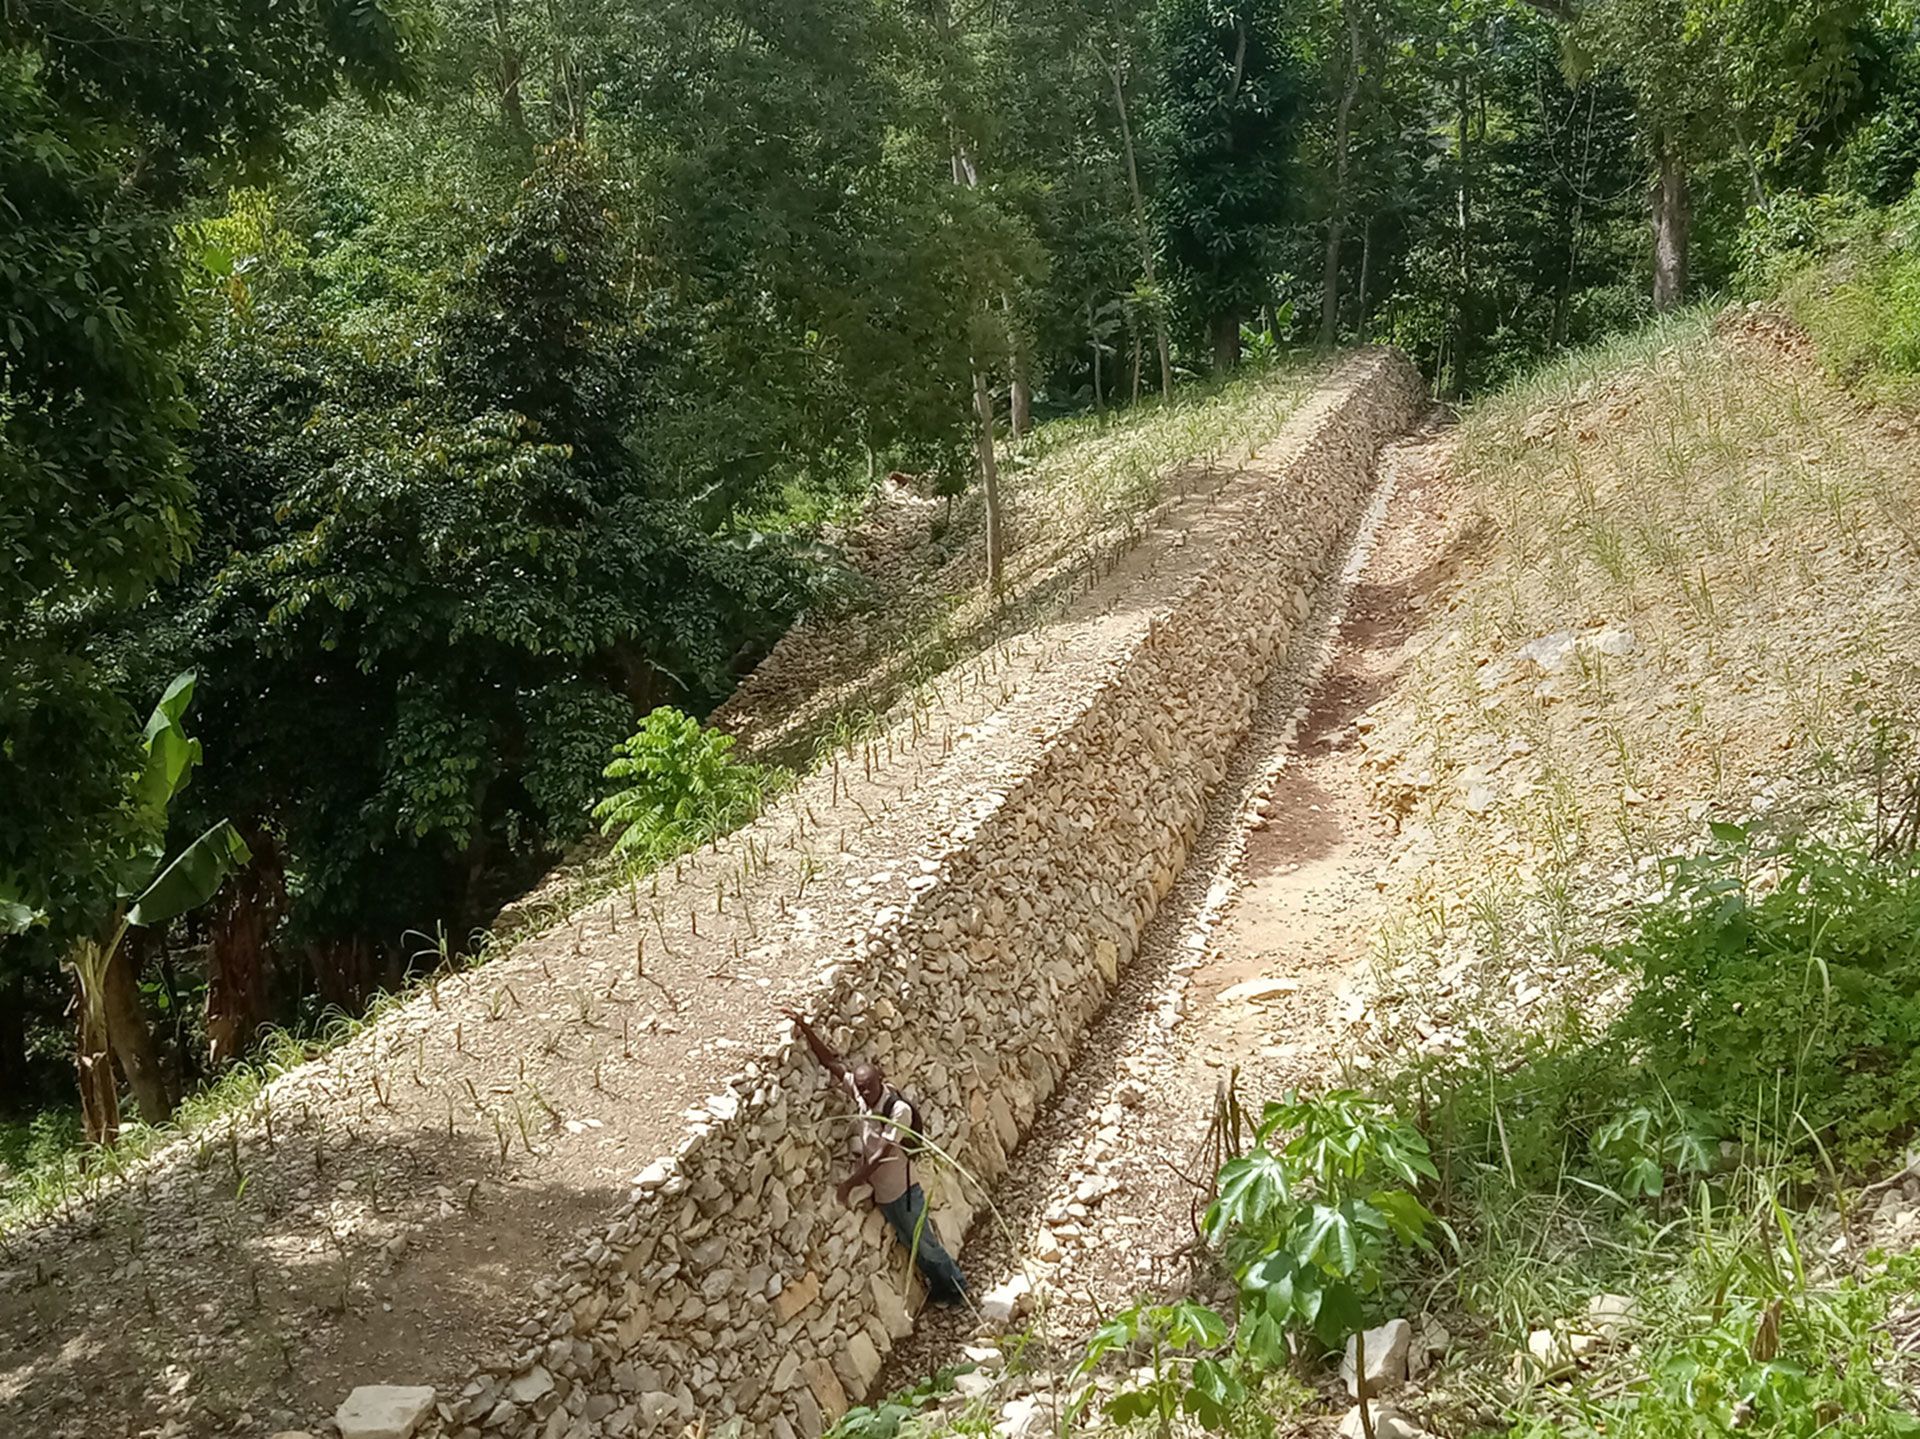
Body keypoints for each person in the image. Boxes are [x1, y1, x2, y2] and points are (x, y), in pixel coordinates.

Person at [780, 1007, 968, 1305]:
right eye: (862, 1088)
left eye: (868, 1088)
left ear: (880, 1080)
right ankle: (939, 1287)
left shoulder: (898, 1110)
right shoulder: (860, 1090)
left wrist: (849, 1185)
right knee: (909, 1241)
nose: (864, 1093)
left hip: (904, 1192)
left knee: (926, 1243)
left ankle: (956, 1286)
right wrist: (803, 1026)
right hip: (884, 1193)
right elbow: (830, 1061)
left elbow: (881, 1155)